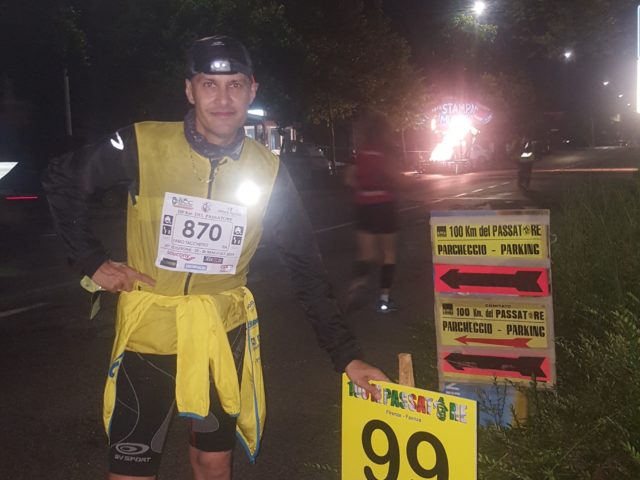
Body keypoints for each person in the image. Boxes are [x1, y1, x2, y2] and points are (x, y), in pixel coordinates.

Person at [42, 35, 387, 480]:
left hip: (221, 335)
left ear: (252, 90)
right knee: (130, 471)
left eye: (235, 85)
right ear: (189, 90)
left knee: (214, 463)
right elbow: (61, 179)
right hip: (150, 335)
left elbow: (305, 265)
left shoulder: (268, 170)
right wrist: (92, 262)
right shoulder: (144, 142)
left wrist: (346, 356)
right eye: (209, 84)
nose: (223, 99)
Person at [344, 111, 403, 314]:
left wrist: (361, 190)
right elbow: (396, 176)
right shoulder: (387, 150)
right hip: (385, 205)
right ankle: (384, 300)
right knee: (388, 254)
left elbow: (348, 179)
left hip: (363, 206)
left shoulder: (361, 152)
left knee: (366, 254)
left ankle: (356, 287)